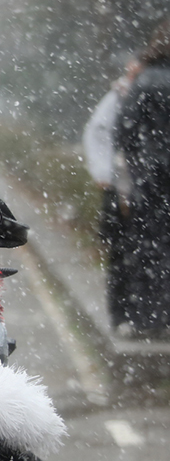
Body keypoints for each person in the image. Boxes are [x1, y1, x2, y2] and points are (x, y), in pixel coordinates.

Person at [114, 18, 170, 336]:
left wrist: (137, 160)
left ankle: (150, 318)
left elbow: (124, 128)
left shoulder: (146, 80)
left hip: (150, 177)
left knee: (149, 245)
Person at [82, 54, 141, 329]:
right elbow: (96, 131)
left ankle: (137, 313)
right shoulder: (119, 97)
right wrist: (104, 172)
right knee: (121, 252)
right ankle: (122, 315)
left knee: (135, 252)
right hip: (121, 189)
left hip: (141, 187)